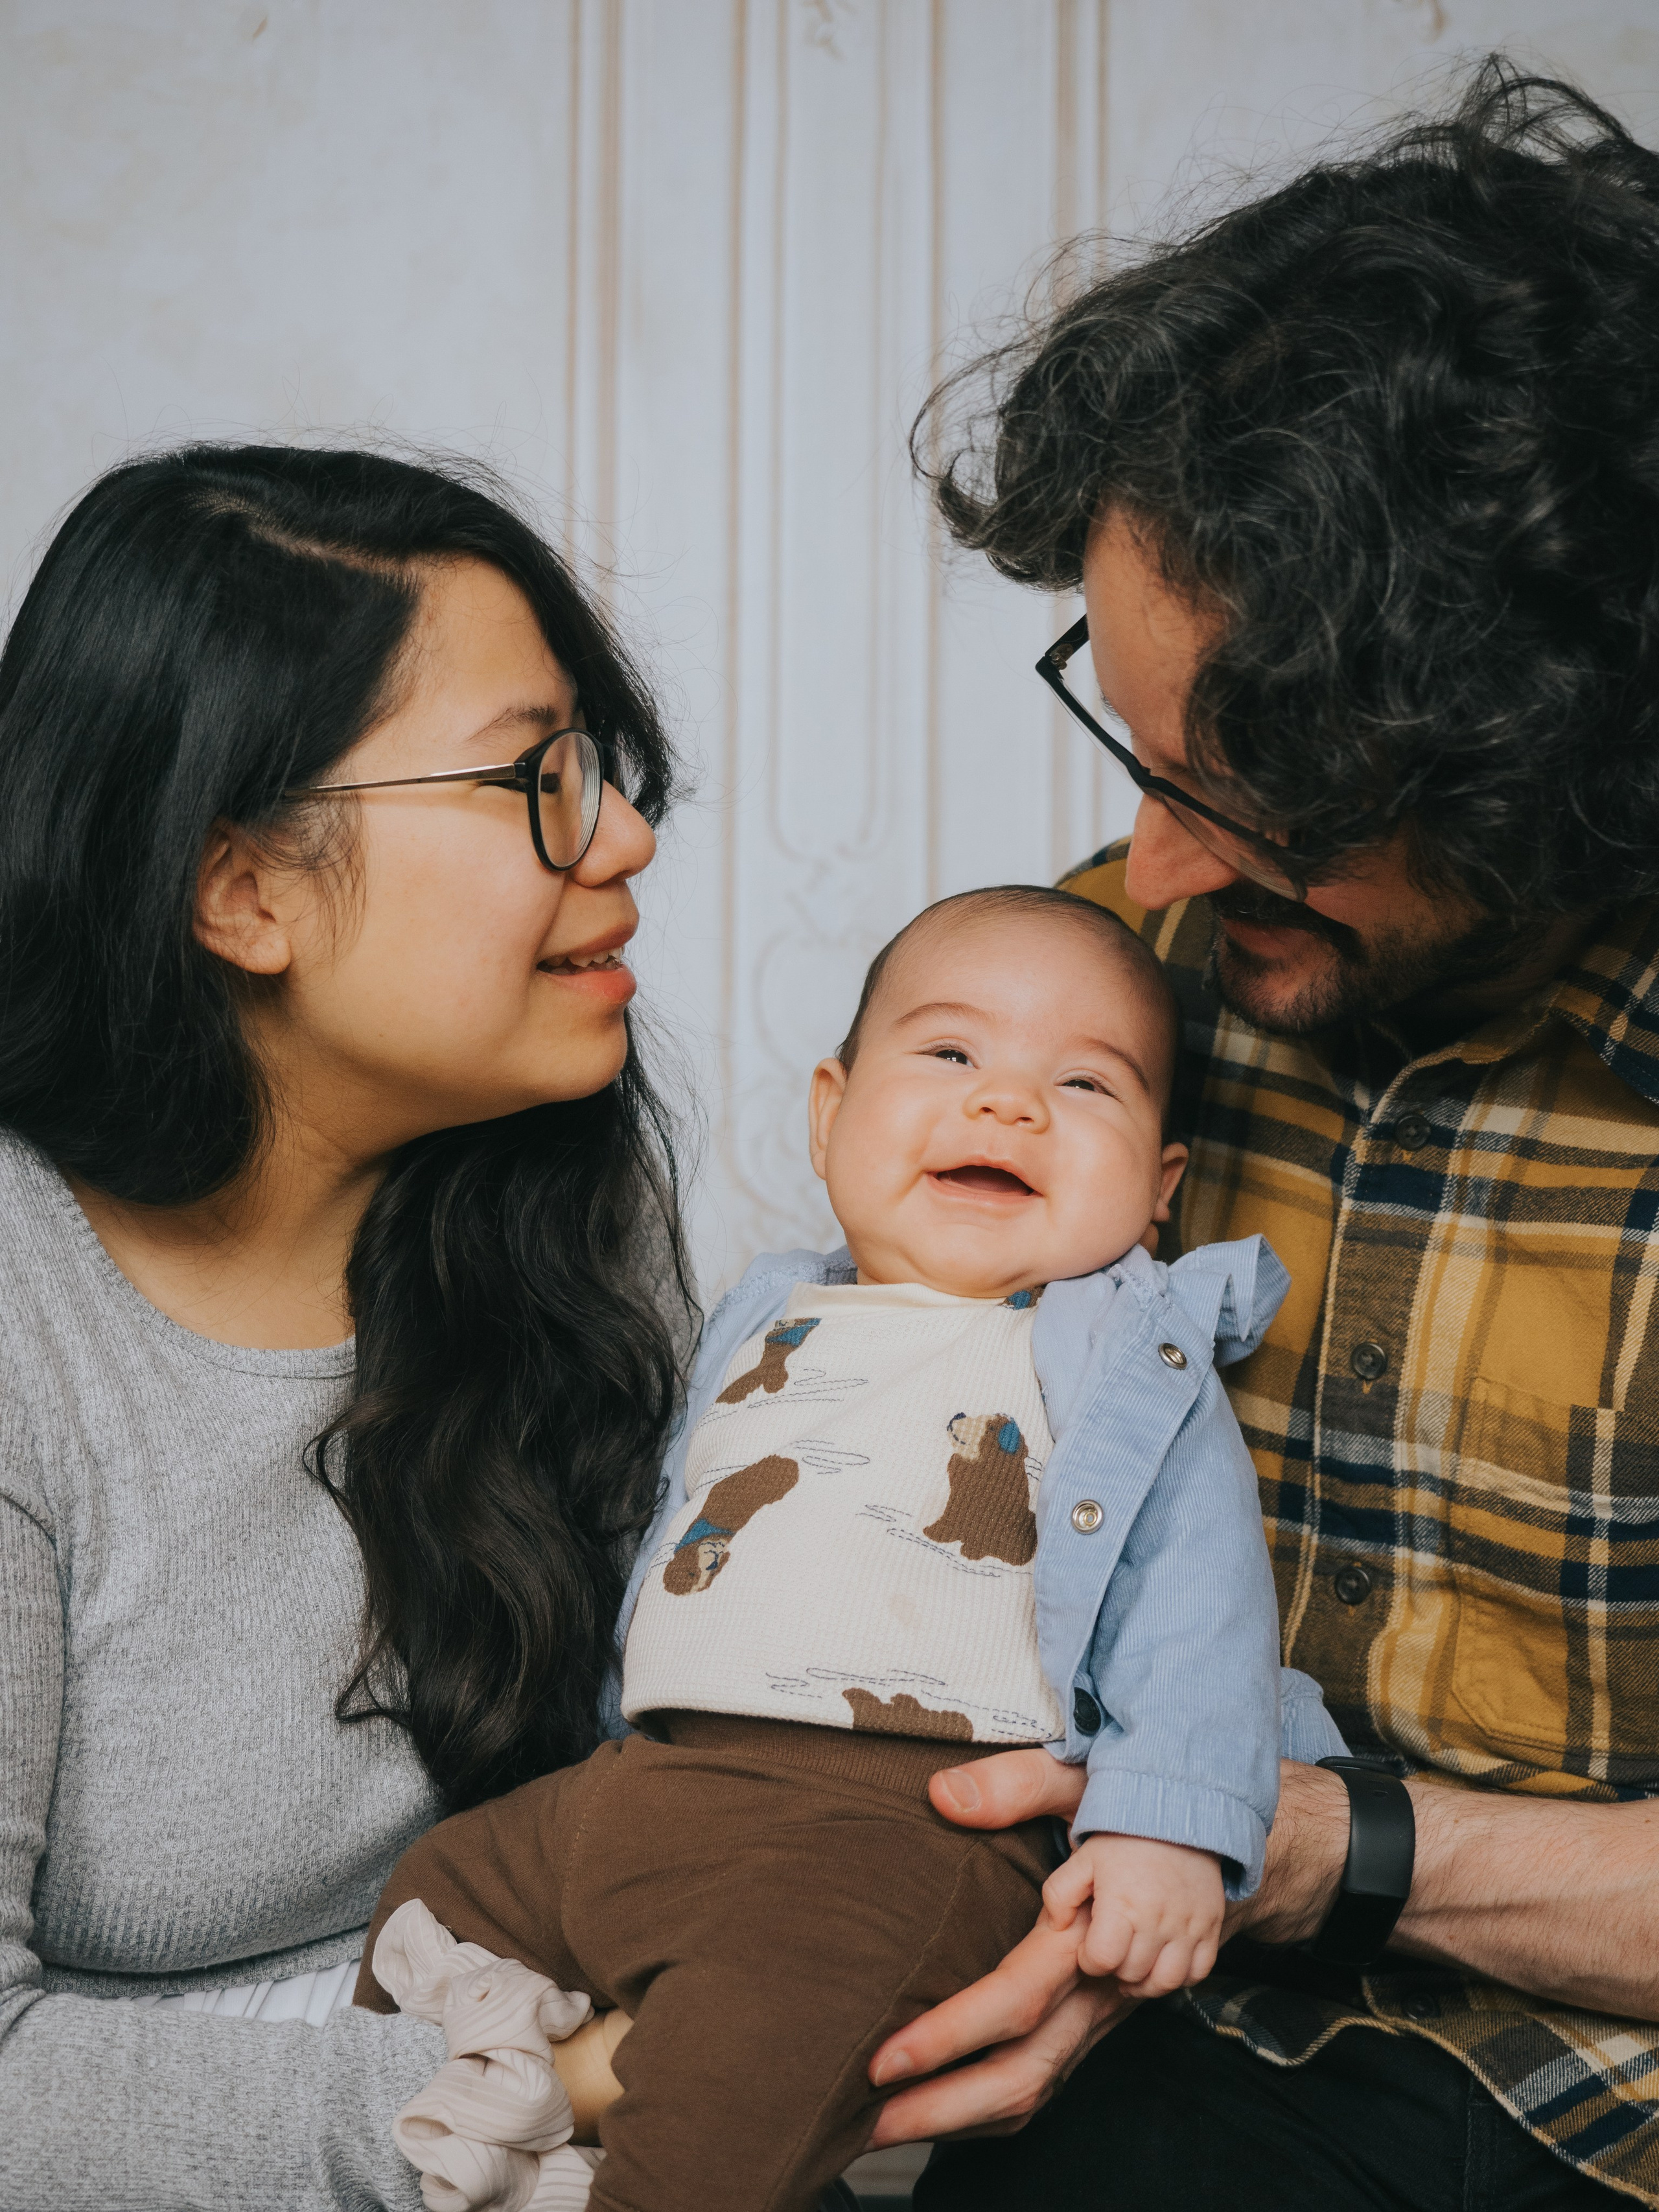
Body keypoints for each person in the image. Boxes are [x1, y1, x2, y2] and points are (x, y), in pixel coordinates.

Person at [850, 59, 1659, 2211]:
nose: (1155, 864)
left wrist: (1303, 1841)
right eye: (1134, 739)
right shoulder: (1117, 990)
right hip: (1161, 2034)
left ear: (1552, 761)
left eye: (1265, 798)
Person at [356, 885, 1343, 2212]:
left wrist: (1166, 1829)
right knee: (438, 1890)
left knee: (722, 2111)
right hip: (651, 1782)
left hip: (887, 1831)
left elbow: (1200, 1604)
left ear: (1157, 1188)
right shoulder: (772, 1308)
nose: (1006, 1104)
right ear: (830, 1113)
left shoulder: (1124, 1357)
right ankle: (517, 2122)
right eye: (948, 1055)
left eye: (1085, 1085)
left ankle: (602, 2153)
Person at [0, 444, 693, 2210]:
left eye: (593, 762)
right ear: (245, 889)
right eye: (534, 775)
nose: (620, 832)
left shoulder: (546, 1230)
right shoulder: (25, 1324)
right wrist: (567, 2086)